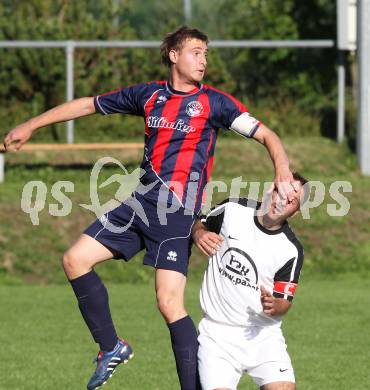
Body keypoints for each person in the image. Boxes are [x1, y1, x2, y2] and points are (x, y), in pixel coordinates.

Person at [3, 26, 298, 390]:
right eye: (195, 52)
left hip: (177, 213)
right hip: (139, 204)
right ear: (173, 55)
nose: (203, 59)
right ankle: (111, 347)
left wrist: (281, 167)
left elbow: (267, 135)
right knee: (74, 260)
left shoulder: (215, 103)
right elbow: (88, 104)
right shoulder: (148, 95)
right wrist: (31, 125)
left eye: (206, 53)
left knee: (169, 303)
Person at [191, 172, 308, 390]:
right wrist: (198, 233)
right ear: (270, 188)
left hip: (264, 335)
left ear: (297, 211)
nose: (282, 202)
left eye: (291, 201)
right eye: (280, 192)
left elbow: (285, 302)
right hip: (217, 335)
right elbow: (199, 223)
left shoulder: (291, 250)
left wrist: (275, 305)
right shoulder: (233, 210)